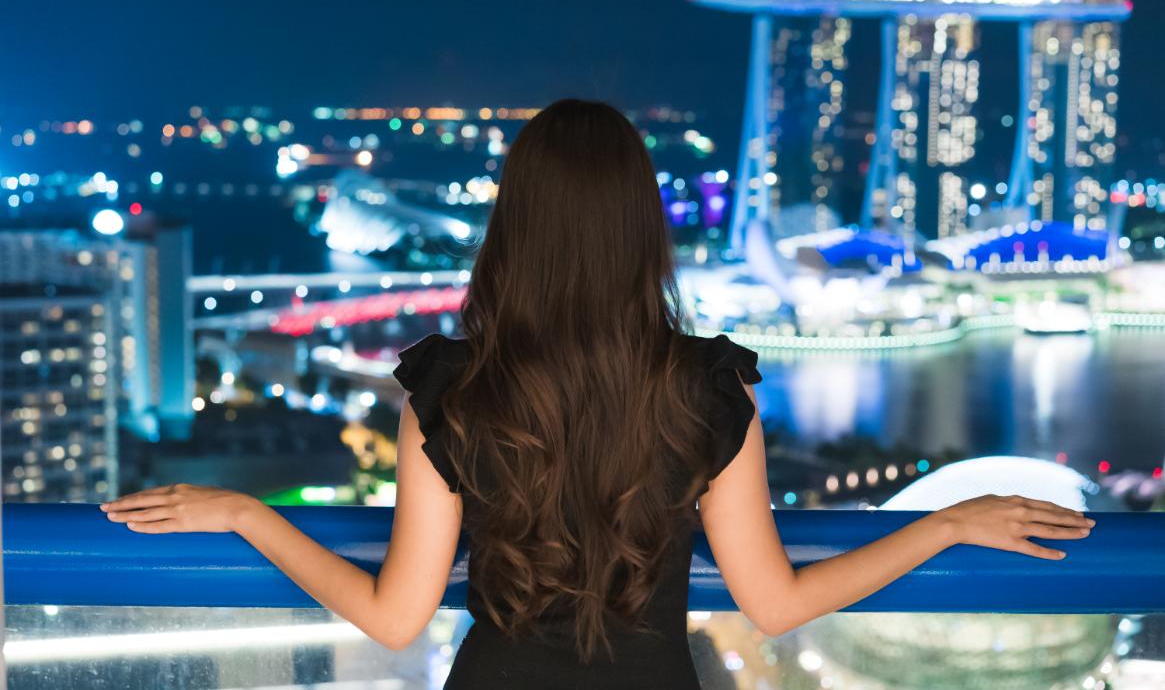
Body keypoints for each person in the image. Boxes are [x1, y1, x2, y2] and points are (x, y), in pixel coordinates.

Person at [100, 98, 1095, 689]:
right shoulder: (705, 390)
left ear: (515, 226)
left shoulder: (451, 392)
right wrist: (944, 523)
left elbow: (397, 617)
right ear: (637, 228)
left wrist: (243, 513)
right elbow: (775, 601)